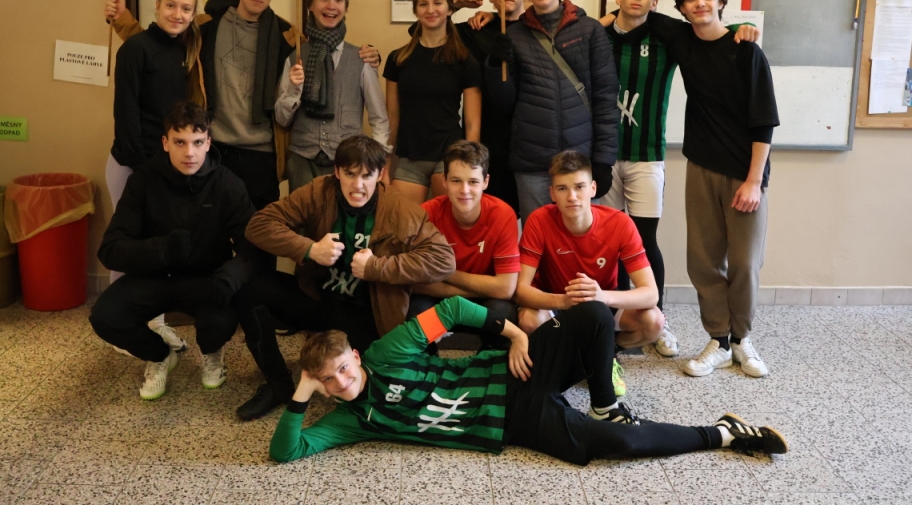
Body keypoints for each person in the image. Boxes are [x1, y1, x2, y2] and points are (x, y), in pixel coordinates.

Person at [268, 296, 789, 465]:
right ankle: (724, 432)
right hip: (512, 422)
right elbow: (286, 452)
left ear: (357, 356)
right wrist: (301, 393)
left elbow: (450, 310)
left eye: (344, 368)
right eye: (328, 381)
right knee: (622, 445)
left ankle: (605, 403)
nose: (342, 383)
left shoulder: (384, 353)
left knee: (593, 314)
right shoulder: (351, 420)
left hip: (510, 370)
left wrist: (516, 334)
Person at [106, 0, 381, 210]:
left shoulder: (289, 37)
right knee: (210, 232)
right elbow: (159, 47)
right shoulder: (206, 25)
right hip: (214, 147)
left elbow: (326, 53)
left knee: (260, 234)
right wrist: (123, 22)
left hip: (263, 154)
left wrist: (370, 56)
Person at [232, 134, 456, 420]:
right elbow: (259, 225)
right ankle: (278, 386)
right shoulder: (319, 191)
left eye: (366, 175)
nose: (357, 185)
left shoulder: (400, 209)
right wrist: (310, 249)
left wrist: (376, 267)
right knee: (249, 288)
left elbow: (444, 261)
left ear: (380, 174)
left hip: (367, 314)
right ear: (336, 172)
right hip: (318, 299)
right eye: (350, 174)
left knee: (383, 396)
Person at [599, 0, 761, 360]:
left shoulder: (667, 36)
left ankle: (656, 320)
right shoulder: (597, 36)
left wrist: (740, 27)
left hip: (647, 154)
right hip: (602, 154)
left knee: (644, 240)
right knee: (607, 242)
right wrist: (599, 21)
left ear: (655, 2)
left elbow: (709, 31)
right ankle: (610, 321)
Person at [90, 102, 256, 400]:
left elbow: (252, 246)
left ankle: (212, 351)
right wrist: (162, 249)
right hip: (153, 276)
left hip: (205, 279)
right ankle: (161, 355)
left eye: (197, 142)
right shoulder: (142, 181)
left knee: (223, 314)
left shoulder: (228, 185)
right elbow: (111, 249)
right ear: (165, 143)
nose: (189, 152)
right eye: (180, 142)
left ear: (208, 143)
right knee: (105, 317)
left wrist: (228, 279)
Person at [670, 0, 780, 379]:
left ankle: (741, 339)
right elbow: (634, 15)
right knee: (703, 261)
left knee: (746, 263)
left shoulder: (746, 51)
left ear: (720, 1)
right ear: (682, 7)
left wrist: (753, 181)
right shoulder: (682, 41)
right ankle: (718, 339)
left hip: (744, 172)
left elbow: (764, 121)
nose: (699, 3)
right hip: (701, 167)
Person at [105, 0, 206, 353]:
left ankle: (155, 324)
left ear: (194, 14)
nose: (177, 14)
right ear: (157, 6)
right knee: (127, 247)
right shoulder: (135, 49)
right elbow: (126, 114)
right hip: (132, 165)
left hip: (163, 166)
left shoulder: (184, 51)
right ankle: (121, 325)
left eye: (186, 8)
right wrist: (143, 170)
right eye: (171, 5)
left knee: (156, 249)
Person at [483, 0, 619, 223]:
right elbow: (505, 103)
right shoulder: (514, 35)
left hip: (579, 160)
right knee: (537, 238)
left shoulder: (590, 30)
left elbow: (606, 99)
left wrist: (603, 160)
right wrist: (495, 64)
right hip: (532, 161)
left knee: (581, 238)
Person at [515, 149, 663, 397]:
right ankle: (572, 359)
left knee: (654, 322)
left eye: (579, 187)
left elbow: (651, 294)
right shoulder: (539, 220)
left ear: (593, 188)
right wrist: (563, 301)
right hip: (555, 303)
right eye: (562, 189)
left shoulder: (619, 223)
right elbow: (520, 290)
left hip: (601, 306)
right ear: (552, 193)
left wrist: (601, 296)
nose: (572, 196)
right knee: (529, 320)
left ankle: (606, 352)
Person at [424, 0, 529, 212]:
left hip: (529, 136)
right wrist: (456, 4)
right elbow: (424, 32)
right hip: (488, 135)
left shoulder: (536, 30)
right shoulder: (477, 30)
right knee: (490, 211)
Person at [275, 0, 389, 191]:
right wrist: (294, 89)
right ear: (310, 5)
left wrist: (378, 160)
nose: (331, 6)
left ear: (345, 7)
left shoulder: (362, 59)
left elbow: (379, 118)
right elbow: (281, 118)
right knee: (304, 213)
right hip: (302, 160)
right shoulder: (295, 56)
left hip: (348, 163)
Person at [413, 140, 520, 349]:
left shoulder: (503, 214)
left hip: (482, 305)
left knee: (504, 311)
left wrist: (447, 272)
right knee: (416, 308)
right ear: (444, 181)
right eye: (456, 181)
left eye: (473, 181)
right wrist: (474, 292)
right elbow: (416, 283)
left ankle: (488, 362)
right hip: (445, 302)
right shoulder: (427, 214)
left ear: (485, 182)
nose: (464, 190)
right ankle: (427, 363)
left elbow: (506, 288)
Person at [383, 0, 482, 204]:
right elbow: (392, 119)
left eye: (437, 3)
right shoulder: (398, 59)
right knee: (404, 221)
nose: (430, 10)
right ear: (415, 11)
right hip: (409, 156)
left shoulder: (465, 60)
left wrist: (471, 166)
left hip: (450, 155)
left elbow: (472, 124)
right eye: (423, 4)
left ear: (450, 9)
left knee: (446, 222)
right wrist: (386, 164)